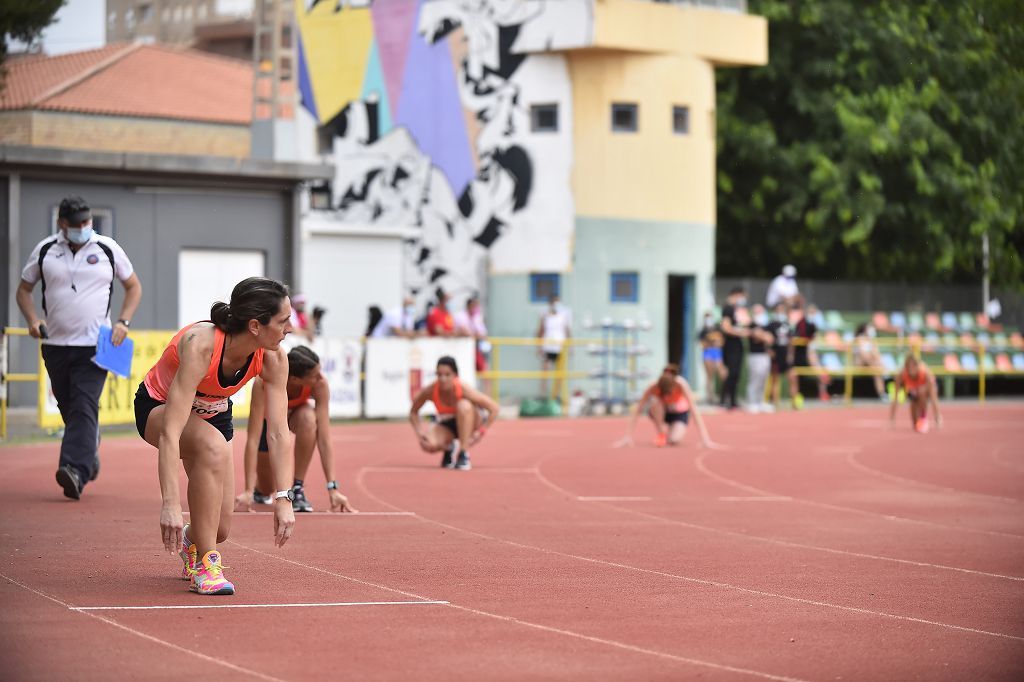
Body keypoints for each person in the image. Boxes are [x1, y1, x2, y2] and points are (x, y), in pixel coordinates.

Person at [134, 277, 296, 596]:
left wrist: (283, 498)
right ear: (254, 326)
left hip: (214, 413)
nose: (290, 328)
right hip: (160, 408)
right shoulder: (201, 345)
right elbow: (171, 432)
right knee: (212, 446)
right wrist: (170, 504)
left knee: (217, 528)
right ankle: (207, 566)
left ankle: (194, 542)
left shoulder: (274, 357)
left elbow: (278, 432)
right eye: (283, 321)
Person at [16, 195, 142, 500]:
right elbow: (23, 290)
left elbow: (133, 286)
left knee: (84, 405)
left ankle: (74, 469)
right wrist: (33, 320)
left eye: (88, 222)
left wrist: (123, 321)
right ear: (63, 224)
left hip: (95, 345)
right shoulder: (46, 250)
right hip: (55, 344)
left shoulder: (107, 248)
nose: (85, 227)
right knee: (69, 408)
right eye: (78, 224)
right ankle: (89, 445)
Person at [236, 345, 356, 514]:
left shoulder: (320, 384)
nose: (320, 377)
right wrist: (248, 490)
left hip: (296, 415)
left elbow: (324, 438)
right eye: (314, 376)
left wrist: (332, 487)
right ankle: (258, 490)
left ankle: (297, 488)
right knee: (266, 488)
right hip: (269, 422)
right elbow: (253, 438)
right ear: (294, 380)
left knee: (309, 420)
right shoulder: (263, 382)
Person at [409, 356, 499, 471]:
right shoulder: (430, 390)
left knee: (463, 406)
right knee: (428, 444)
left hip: (471, 422)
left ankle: (463, 453)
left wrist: (481, 432)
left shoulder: (463, 389)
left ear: (455, 375)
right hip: (448, 425)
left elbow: (494, 408)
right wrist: (420, 432)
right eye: (439, 375)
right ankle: (449, 447)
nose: (443, 379)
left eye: (447, 375)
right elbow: (413, 413)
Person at [616, 364, 715, 448]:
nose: (667, 396)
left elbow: (694, 410)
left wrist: (705, 438)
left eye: (669, 392)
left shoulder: (681, 384)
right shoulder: (653, 386)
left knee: (674, 440)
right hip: (662, 413)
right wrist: (627, 436)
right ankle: (661, 432)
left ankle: (670, 431)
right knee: (654, 401)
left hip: (679, 414)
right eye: (664, 393)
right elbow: (638, 409)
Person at [791, 299, 830, 406]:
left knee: (819, 369)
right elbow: (798, 337)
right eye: (811, 312)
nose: (812, 314)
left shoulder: (815, 325)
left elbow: (816, 336)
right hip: (802, 355)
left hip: (814, 353)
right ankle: (796, 399)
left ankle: (823, 391)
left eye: (814, 312)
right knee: (797, 376)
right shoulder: (801, 323)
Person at [889, 355, 942, 433]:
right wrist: (892, 419)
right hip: (913, 391)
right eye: (909, 367)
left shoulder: (925, 373)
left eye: (913, 366)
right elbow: (895, 398)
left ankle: (923, 417)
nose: (911, 369)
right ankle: (918, 419)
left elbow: (934, 399)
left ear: (917, 366)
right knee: (915, 424)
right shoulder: (901, 375)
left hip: (926, 389)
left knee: (921, 393)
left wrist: (937, 417)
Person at [719, 287, 750, 410]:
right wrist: (741, 333)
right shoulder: (728, 309)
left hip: (737, 345)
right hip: (730, 345)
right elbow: (726, 327)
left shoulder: (736, 310)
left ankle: (732, 400)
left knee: (735, 373)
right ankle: (726, 400)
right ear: (737, 295)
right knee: (732, 373)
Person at [537, 294, 571, 398]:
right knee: (545, 370)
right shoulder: (545, 315)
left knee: (560, 372)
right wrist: (539, 346)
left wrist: (570, 346)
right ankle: (543, 394)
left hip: (560, 347)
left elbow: (567, 331)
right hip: (548, 346)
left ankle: (556, 395)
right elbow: (540, 331)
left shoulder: (563, 316)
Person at [766, 302, 798, 410]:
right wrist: (770, 351)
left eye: (782, 309)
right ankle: (775, 404)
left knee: (793, 378)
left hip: (785, 355)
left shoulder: (787, 324)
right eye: (779, 309)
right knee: (775, 380)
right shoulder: (771, 325)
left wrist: (790, 354)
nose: (781, 311)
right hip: (776, 355)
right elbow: (766, 341)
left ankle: (794, 403)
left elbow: (791, 341)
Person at [745, 304, 774, 413]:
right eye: (758, 311)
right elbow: (757, 336)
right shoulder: (751, 324)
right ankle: (752, 402)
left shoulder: (766, 325)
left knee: (763, 379)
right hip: (754, 355)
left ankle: (761, 401)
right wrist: (763, 336)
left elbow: (770, 339)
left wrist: (763, 335)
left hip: (765, 355)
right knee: (754, 379)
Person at [853, 322, 888, 400]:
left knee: (877, 370)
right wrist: (874, 363)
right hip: (860, 364)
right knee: (876, 367)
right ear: (865, 330)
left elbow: (876, 354)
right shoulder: (859, 339)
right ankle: (882, 392)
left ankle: (882, 393)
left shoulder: (872, 341)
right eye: (869, 328)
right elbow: (863, 355)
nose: (871, 330)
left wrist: (880, 363)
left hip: (872, 365)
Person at [698, 312, 727, 404]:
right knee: (709, 376)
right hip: (708, 354)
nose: (709, 319)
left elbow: (722, 341)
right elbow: (702, 345)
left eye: (710, 317)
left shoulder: (717, 328)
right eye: (707, 317)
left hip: (717, 353)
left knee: (723, 374)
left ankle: (724, 396)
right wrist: (711, 343)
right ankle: (710, 397)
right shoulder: (703, 331)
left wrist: (718, 342)